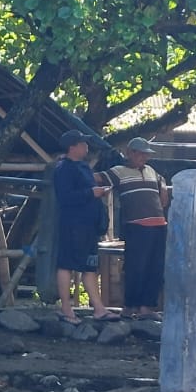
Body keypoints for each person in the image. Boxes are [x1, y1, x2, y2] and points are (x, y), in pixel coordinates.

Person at [52, 130, 119, 325]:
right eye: (82, 143)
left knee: (90, 266)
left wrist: (97, 194)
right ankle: (66, 307)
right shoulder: (63, 169)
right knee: (66, 264)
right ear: (72, 147)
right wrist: (91, 192)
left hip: (89, 226)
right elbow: (65, 198)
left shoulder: (84, 167)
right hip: (73, 224)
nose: (86, 147)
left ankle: (98, 308)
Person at [98, 137, 169, 320]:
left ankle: (147, 306)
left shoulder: (152, 171)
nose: (144, 157)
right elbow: (99, 179)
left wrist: (162, 188)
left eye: (146, 154)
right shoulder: (119, 171)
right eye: (140, 153)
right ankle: (129, 306)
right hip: (137, 226)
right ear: (130, 153)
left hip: (159, 225)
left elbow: (162, 190)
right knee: (135, 266)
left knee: (156, 267)